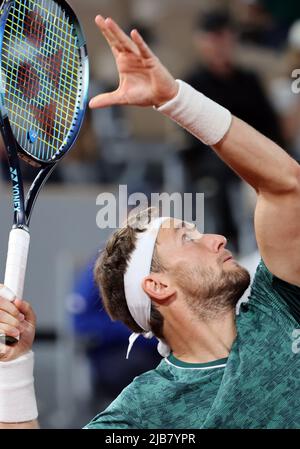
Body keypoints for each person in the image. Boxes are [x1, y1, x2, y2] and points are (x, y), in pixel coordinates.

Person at [0, 15, 299, 429]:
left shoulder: (278, 304)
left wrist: (176, 99)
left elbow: (286, 186)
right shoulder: (141, 414)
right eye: (188, 237)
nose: (215, 238)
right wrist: (12, 368)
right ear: (157, 285)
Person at [182, 10, 285, 252]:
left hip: (255, 152)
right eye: (213, 38)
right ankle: (231, 242)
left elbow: (271, 127)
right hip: (213, 156)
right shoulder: (193, 83)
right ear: (201, 42)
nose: (219, 45)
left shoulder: (250, 80)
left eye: (225, 37)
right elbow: (191, 137)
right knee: (219, 176)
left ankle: (284, 240)